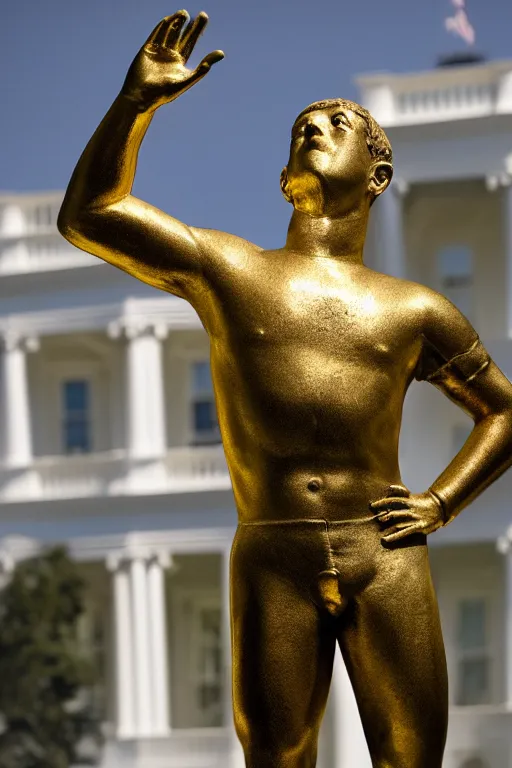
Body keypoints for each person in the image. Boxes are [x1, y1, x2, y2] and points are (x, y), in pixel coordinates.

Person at [58, 11, 512, 768]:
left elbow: (503, 410)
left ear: (379, 175)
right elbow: (91, 214)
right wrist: (135, 104)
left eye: (339, 123)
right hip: (271, 549)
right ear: (282, 181)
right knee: (277, 754)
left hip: (385, 550)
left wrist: (440, 503)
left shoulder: (417, 309)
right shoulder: (231, 270)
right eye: (303, 124)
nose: (315, 126)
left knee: (410, 758)